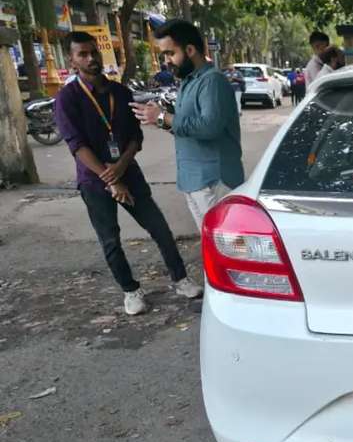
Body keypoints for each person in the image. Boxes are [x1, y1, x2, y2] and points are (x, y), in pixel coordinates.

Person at [53, 31, 202, 315]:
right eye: (82, 54)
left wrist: (121, 167)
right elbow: (76, 145)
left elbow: (134, 136)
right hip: (94, 182)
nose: (91, 58)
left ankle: (180, 279)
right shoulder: (67, 98)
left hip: (128, 173)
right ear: (72, 61)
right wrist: (111, 179)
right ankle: (131, 291)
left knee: (158, 227)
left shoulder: (120, 92)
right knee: (110, 240)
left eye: (93, 52)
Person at [131, 19, 245, 229]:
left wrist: (163, 117)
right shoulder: (188, 81)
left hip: (214, 182)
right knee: (212, 247)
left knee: (228, 247)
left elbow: (209, 127)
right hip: (194, 181)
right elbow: (187, 128)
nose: (167, 61)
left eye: (170, 53)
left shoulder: (212, 81)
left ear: (190, 49)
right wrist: (159, 120)